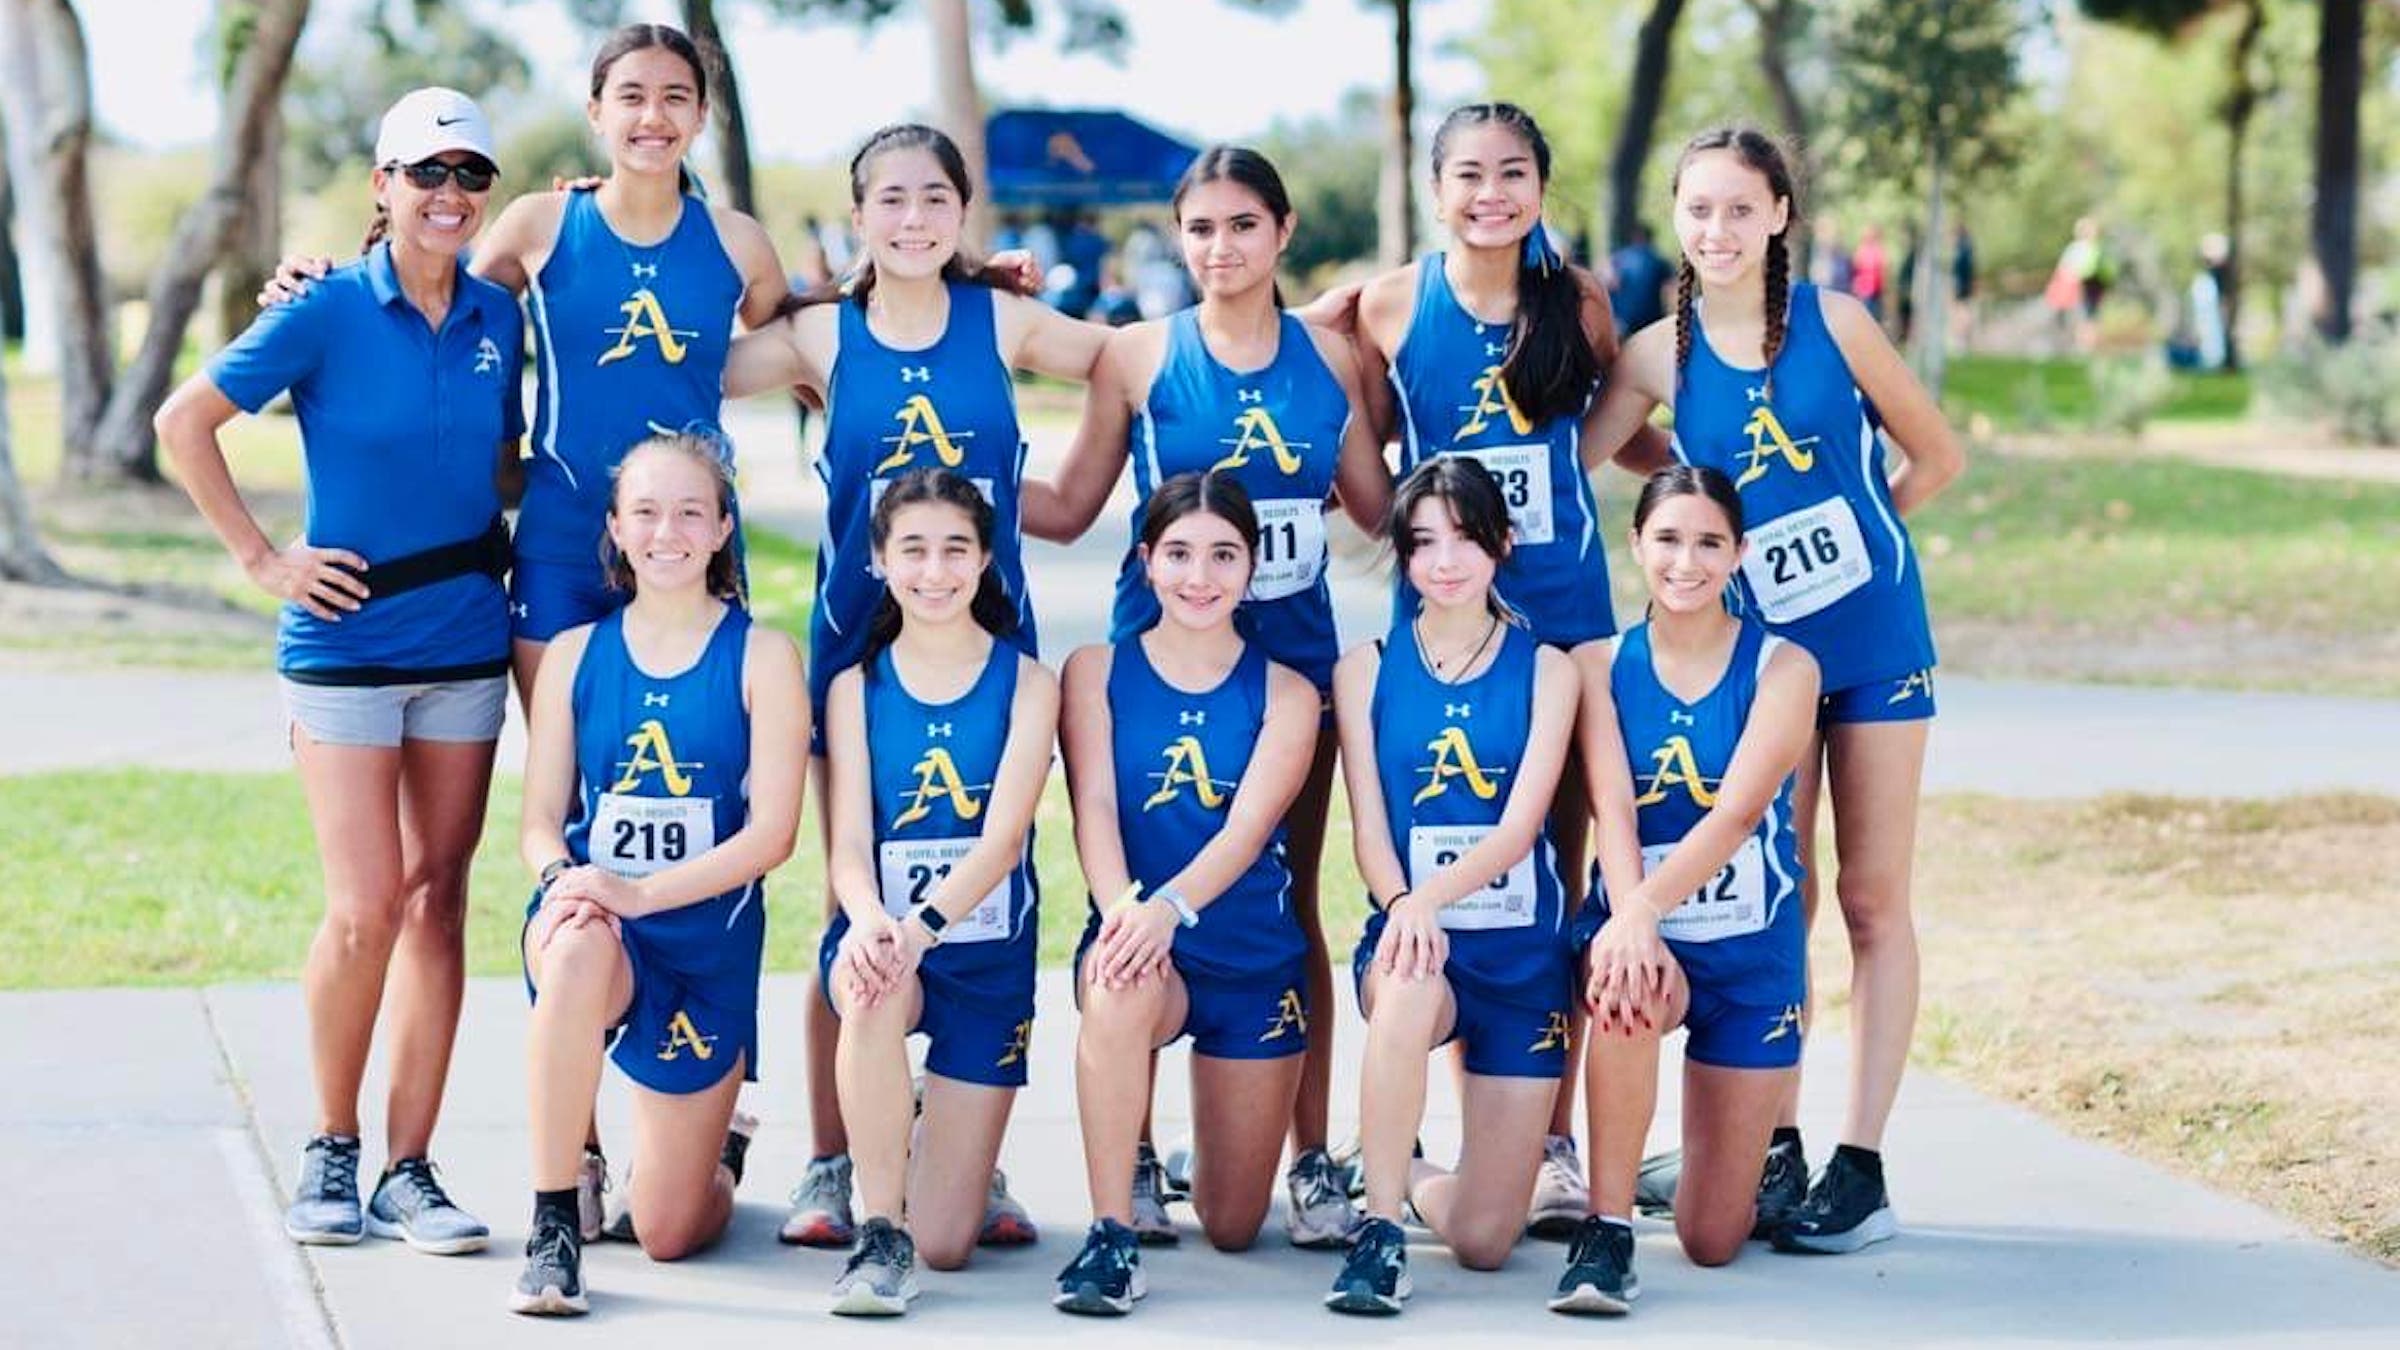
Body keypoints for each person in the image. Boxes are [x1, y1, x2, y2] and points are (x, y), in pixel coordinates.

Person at [722, 120, 1107, 1253]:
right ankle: (837, 1158)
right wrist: (621, 222)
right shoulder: (823, 336)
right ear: (859, 217)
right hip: (860, 650)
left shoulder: (1007, 320)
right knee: (855, 905)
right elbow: (670, 354)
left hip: (989, 644)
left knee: (986, 882)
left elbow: (1133, 362)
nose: (913, 219)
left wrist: (1066, 499)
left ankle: (957, 1153)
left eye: (934, 198)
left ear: (962, 212)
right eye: (889, 200)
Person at [1582, 125, 1965, 1254]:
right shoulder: (1659, 354)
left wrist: (1861, 529)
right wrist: (1710, 500)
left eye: (1740, 210)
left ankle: (1862, 1164)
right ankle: (1778, 1142)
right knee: (1778, 894)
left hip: (1877, 639)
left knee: (1872, 899)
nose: (1717, 232)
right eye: (1698, 211)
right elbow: (1607, 449)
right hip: (1759, 667)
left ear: (1782, 215)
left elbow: (1937, 458)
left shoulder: (1840, 325)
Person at [154, 86, 522, 1259]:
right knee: (364, 908)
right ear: (383, 186)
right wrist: (262, 557)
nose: (449, 196)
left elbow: (502, 468)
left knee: (439, 904)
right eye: (427, 173)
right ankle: (331, 1145)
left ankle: (411, 1170)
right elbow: (181, 422)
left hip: (466, 640)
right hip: (347, 646)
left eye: (471, 176)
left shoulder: (498, 320)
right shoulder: (321, 311)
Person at [1023, 144, 1390, 1249]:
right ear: (1176, 239)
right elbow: (1078, 498)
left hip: (1291, 673)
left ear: (1282, 233)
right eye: (1200, 228)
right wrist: (939, 468)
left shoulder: (1331, 360)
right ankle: (1127, 1152)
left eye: (1242, 225)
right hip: (1155, 668)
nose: (1220, 248)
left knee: (1293, 905)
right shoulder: (1137, 356)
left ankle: (1312, 1155)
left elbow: (1378, 509)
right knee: (1126, 900)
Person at [1347, 100, 1667, 1237]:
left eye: (1515, 173)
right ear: (1436, 189)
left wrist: (1684, 479)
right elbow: (1354, 426)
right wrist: (1409, 528)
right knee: (1431, 847)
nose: (1493, 194)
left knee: (1555, 877)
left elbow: (1613, 417)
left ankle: (1556, 1143)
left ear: (1541, 183)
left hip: (1565, 613)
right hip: (1440, 621)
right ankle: (1414, 1125)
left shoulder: (1575, 299)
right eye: (1470, 175)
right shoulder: (1389, 301)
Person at [510, 434, 806, 1315]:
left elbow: (774, 836)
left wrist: (638, 892)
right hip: (601, 920)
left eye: (689, 512)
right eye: (644, 511)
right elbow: (536, 822)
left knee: (670, 1233)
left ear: (721, 529)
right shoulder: (572, 654)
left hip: (701, 944)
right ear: (614, 528)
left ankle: (722, 1147)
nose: (666, 531)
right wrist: (569, 876)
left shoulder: (762, 657)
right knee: (570, 947)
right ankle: (555, 1219)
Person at [1549, 465, 1818, 1315]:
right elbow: (1612, 807)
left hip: (1747, 953)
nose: (1686, 562)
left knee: (1710, 1241)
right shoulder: (1597, 663)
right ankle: (1609, 1226)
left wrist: (1639, 910)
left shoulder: (1785, 666)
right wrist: (1633, 925)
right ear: (1635, 545)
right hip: (1643, 927)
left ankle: (1688, 1173)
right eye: (1667, 539)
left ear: (1739, 554)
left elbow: (1739, 814)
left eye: (1709, 543)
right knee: (1623, 985)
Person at [1323, 457, 1581, 1316]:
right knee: (1403, 986)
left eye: (1465, 537)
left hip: (1517, 959)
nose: (1445, 560)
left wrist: (1429, 898)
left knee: (1481, 1241)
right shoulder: (1364, 668)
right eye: (1424, 541)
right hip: (1410, 931)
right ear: (1400, 553)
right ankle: (1381, 1231)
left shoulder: (1550, 670)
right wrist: (1407, 906)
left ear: (1502, 544)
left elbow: (1519, 830)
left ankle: (1402, 1166)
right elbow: (1368, 829)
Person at [817, 469, 1059, 1315]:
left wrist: (920, 924)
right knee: (870, 987)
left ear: (986, 559)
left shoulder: (1030, 683)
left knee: (951, 1241)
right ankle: (880, 1234)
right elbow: (847, 843)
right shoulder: (854, 688)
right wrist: (875, 923)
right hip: (891, 943)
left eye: (956, 549)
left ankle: (933, 1144)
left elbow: (1003, 842)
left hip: (983, 953)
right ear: (879, 561)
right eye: (912, 549)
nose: (935, 570)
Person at [1608, 222, 1672, 336]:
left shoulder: (1619, 258)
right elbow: (1670, 289)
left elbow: (1611, 284)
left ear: (1634, 237)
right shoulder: (1659, 260)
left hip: (1625, 318)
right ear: (1650, 238)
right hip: (1652, 317)